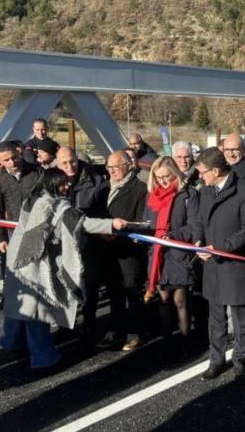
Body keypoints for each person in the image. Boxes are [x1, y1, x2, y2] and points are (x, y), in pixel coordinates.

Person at [0, 168, 127, 368]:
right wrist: (111, 224)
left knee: (18, 307)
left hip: (18, 260)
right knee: (36, 313)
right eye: (63, 183)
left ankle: (11, 342)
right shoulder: (54, 205)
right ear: (52, 184)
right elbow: (81, 224)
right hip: (35, 265)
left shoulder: (33, 199)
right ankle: (44, 358)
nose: (67, 186)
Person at [194, 148, 245, 382]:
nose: (200, 176)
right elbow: (200, 220)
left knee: (240, 319)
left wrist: (221, 247)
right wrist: (198, 242)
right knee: (216, 317)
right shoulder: (206, 191)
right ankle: (216, 360)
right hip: (212, 264)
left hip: (234, 265)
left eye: (203, 172)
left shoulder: (244, 191)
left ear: (216, 170)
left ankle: (241, 361)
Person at [143, 157, 200, 357]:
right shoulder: (152, 196)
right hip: (158, 254)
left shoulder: (188, 194)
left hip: (178, 253)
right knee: (163, 300)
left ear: (175, 173)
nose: (164, 181)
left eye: (167, 176)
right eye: (159, 178)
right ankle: (167, 343)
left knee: (180, 300)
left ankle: (185, 342)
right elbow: (147, 224)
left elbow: (194, 226)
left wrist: (173, 236)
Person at [97, 151, 148, 352]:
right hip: (107, 248)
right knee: (114, 291)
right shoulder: (104, 188)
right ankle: (115, 329)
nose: (112, 172)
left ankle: (135, 332)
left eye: (116, 167)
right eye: (109, 168)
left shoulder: (140, 189)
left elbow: (143, 222)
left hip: (129, 251)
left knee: (131, 291)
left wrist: (121, 232)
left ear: (128, 166)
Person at [56, 146, 108, 342]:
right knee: (63, 284)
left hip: (88, 241)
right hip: (62, 242)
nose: (70, 166)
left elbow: (101, 212)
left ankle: (89, 322)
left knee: (89, 286)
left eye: (72, 161)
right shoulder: (52, 181)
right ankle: (65, 325)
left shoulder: (94, 180)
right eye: (64, 163)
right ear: (57, 162)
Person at [0, 142, 42, 277]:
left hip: (37, 227)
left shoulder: (36, 171)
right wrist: (1, 238)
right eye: (6, 160)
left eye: (14, 157)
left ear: (19, 153)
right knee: (11, 265)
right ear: (0, 161)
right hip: (14, 230)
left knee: (37, 265)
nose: (12, 162)